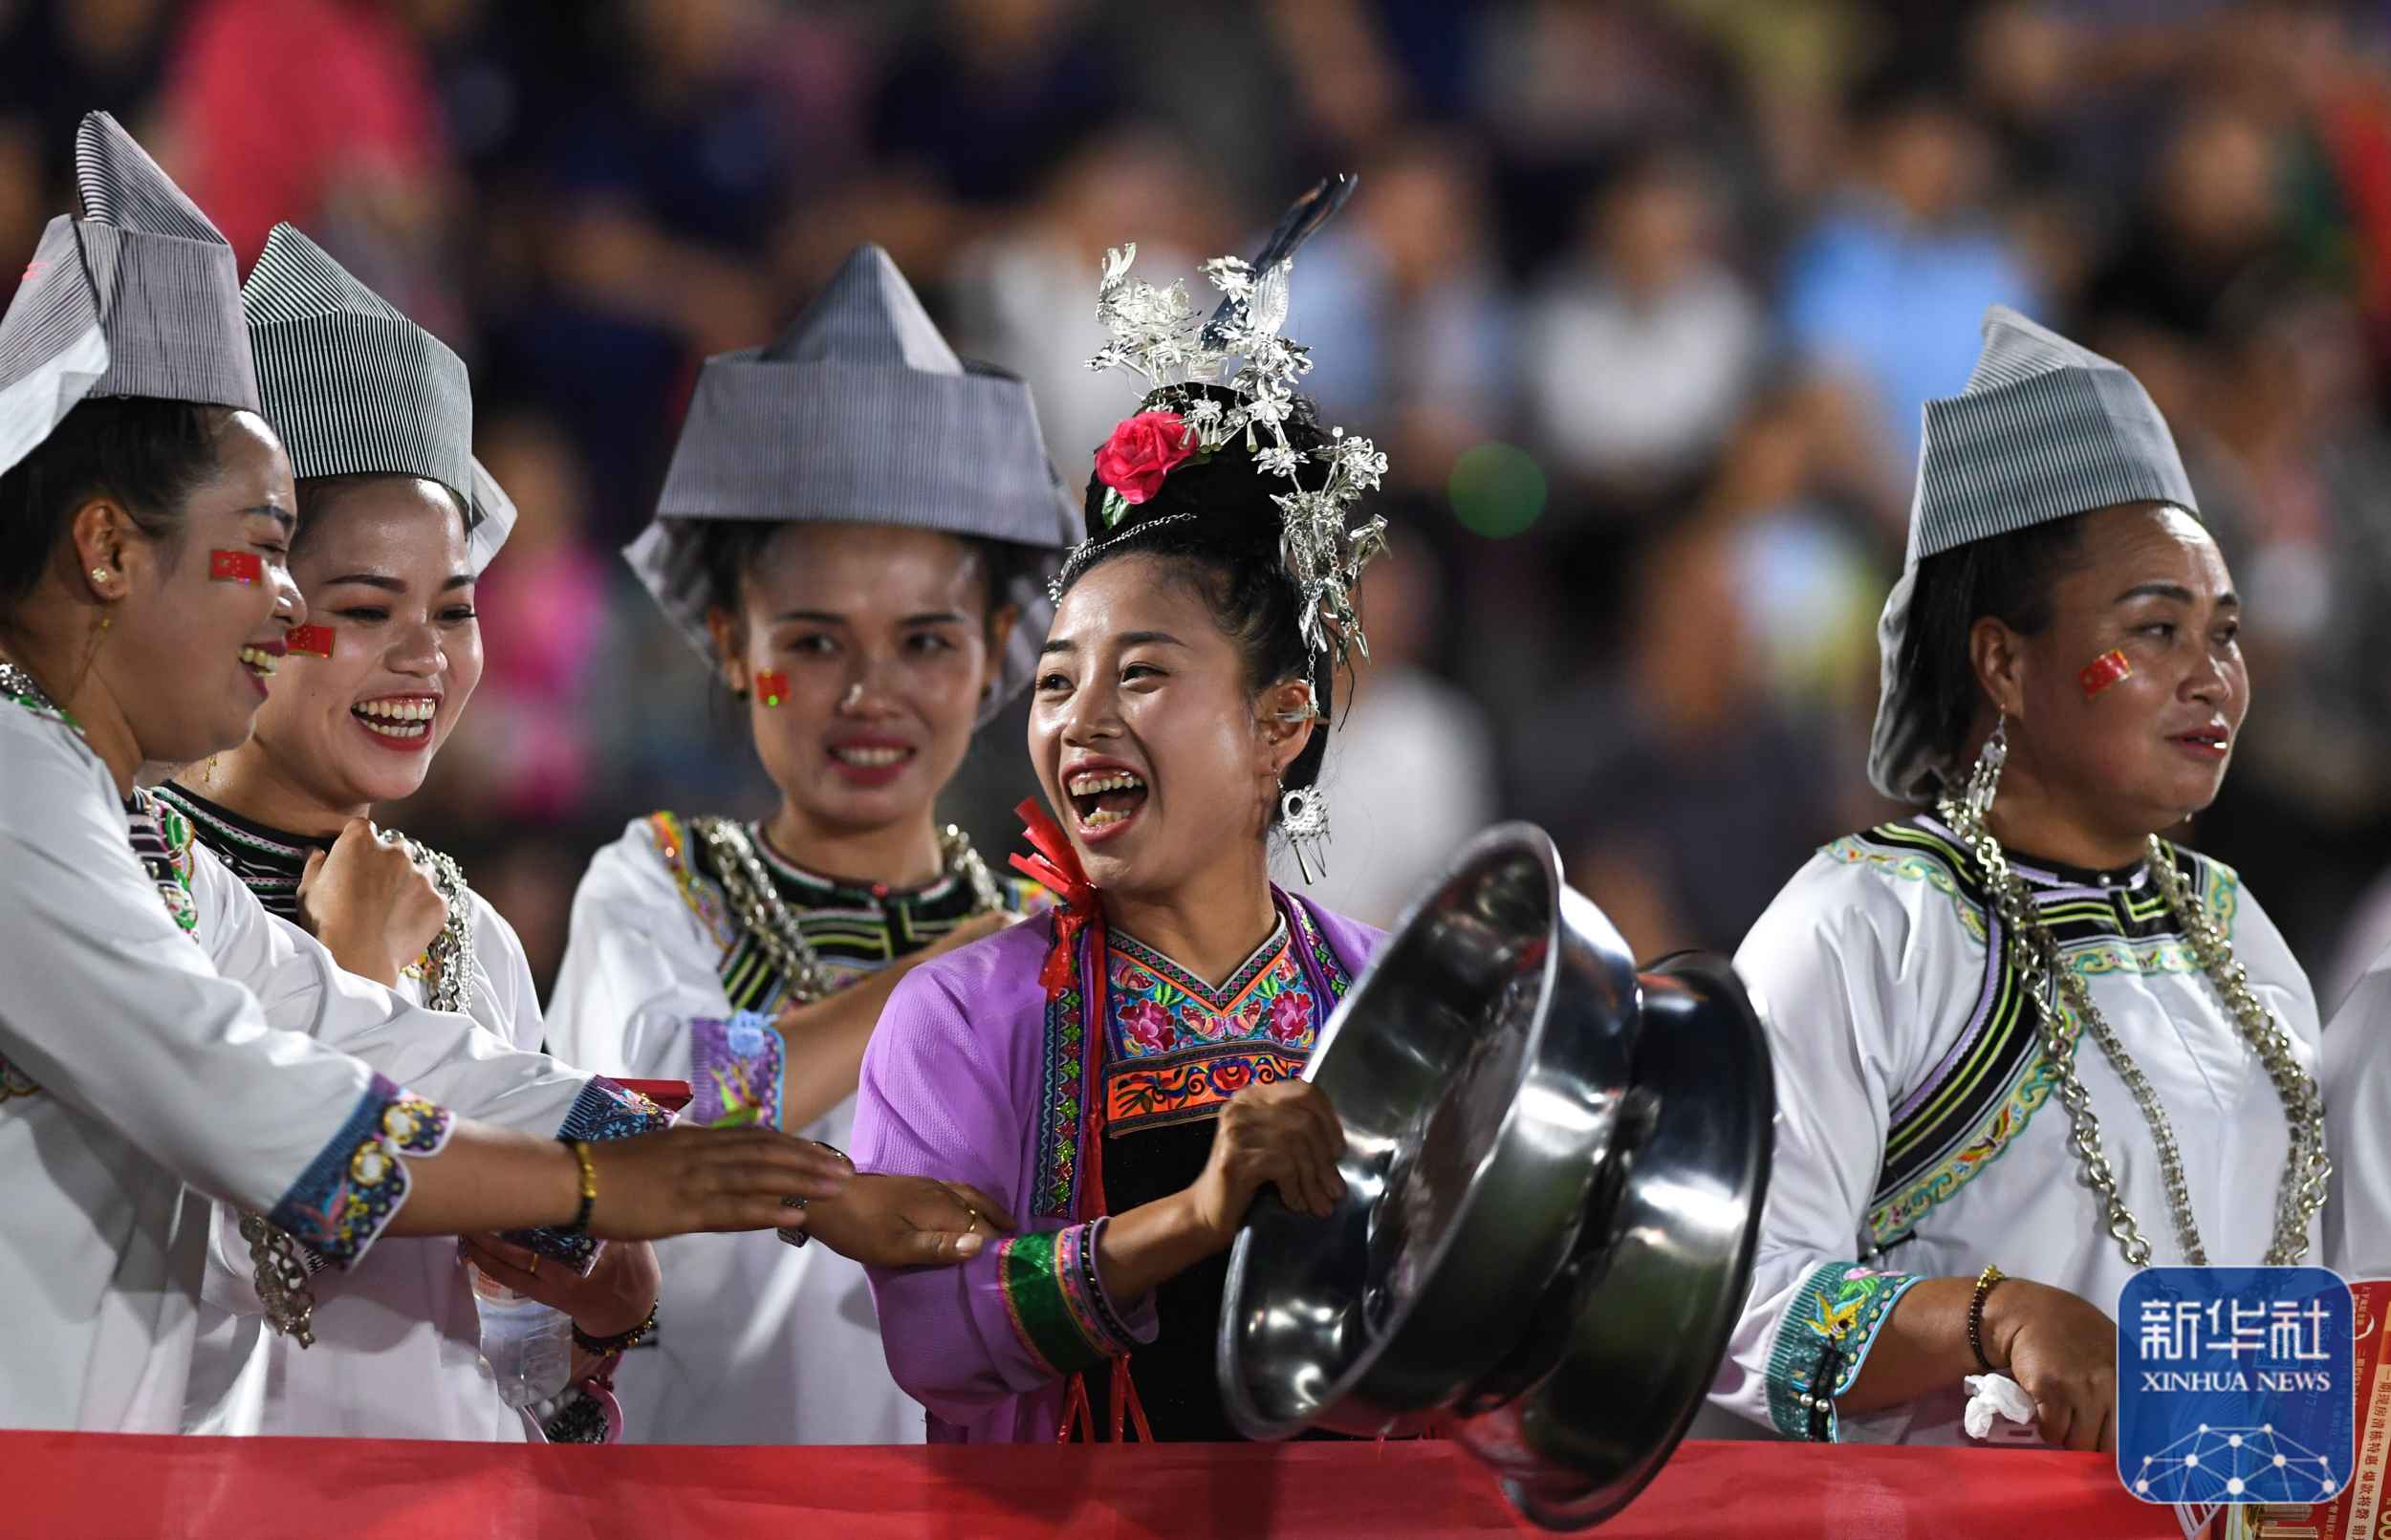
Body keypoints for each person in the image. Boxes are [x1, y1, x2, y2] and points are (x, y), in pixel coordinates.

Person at [0, 111, 945, 1435]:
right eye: (272, 559)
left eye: (453, 607)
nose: (279, 611)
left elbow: (365, 1036)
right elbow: (246, 1096)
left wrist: (775, 1184)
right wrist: (613, 1183)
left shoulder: (124, 831)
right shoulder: (19, 784)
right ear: (108, 547)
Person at [1714, 307, 2327, 1450]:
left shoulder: (2232, 931)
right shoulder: (1863, 925)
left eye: (2224, 633)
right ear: (2001, 660)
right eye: (2153, 632)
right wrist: (1989, 1319)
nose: (2212, 680)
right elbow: (1731, 1313)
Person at [852, 233, 1389, 1443]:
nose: (1079, 721)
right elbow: (934, 1336)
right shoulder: (963, 1018)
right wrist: (1195, 1219)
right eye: (1054, 683)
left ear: (1278, 724)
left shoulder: (1386, 999)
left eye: (1140, 674)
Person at [545, 244, 1077, 1444]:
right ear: (735, 647)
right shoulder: (655, 880)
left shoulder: (1046, 950)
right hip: (700, 1499)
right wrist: (965, 963)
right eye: (816, 643)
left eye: (927, 645)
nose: (870, 695)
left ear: (998, 654)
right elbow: (678, 1109)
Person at [146, 223, 654, 1442]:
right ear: (245, 609)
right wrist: (357, 979)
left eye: (455, 609)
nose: (426, 658)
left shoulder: (465, 930)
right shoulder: (128, 886)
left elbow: (488, 1365)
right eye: (367, 609)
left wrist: (598, 1314)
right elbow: (227, 1288)